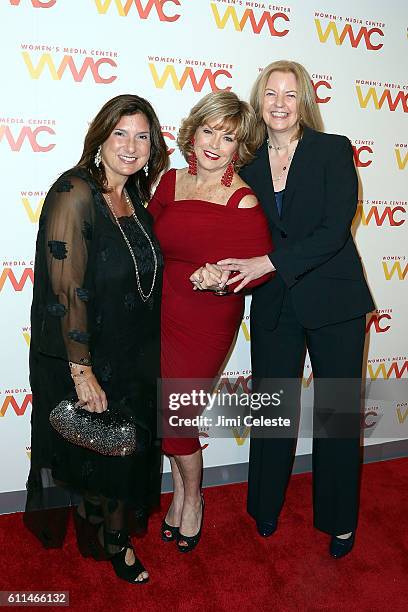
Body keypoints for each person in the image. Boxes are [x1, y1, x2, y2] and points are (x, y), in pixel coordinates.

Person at [217, 61, 375, 558]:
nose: (280, 103)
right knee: (271, 414)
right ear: (259, 101)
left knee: (337, 415)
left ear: (305, 99)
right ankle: (264, 506)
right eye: (270, 93)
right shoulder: (245, 164)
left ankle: (339, 521)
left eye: (290, 93)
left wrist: (268, 260)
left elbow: (334, 230)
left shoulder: (333, 150)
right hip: (274, 303)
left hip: (335, 300)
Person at [25, 94, 168, 583]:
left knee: (123, 453)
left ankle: (108, 528)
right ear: (100, 138)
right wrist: (81, 370)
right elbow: (64, 290)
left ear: (154, 144)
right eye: (120, 134)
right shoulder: (74, 192)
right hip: (86, 353)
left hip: (133, 353)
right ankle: (114, 541)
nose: (131, 145)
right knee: (103, 454)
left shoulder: (135, 198)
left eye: (142, 135)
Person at [147, 91, 273, 552]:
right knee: (164, 415)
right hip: (159, 311)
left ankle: (194, 500)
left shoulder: (243, 200)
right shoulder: (170, 181)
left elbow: (253, 270)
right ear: (193, 131)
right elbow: (146, 241)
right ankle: (179, 494)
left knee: (177, 415)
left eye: (229, 136)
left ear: (240, 147)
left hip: (206, 319)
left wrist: (221, 278)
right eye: (209, 130)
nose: (216, 143)